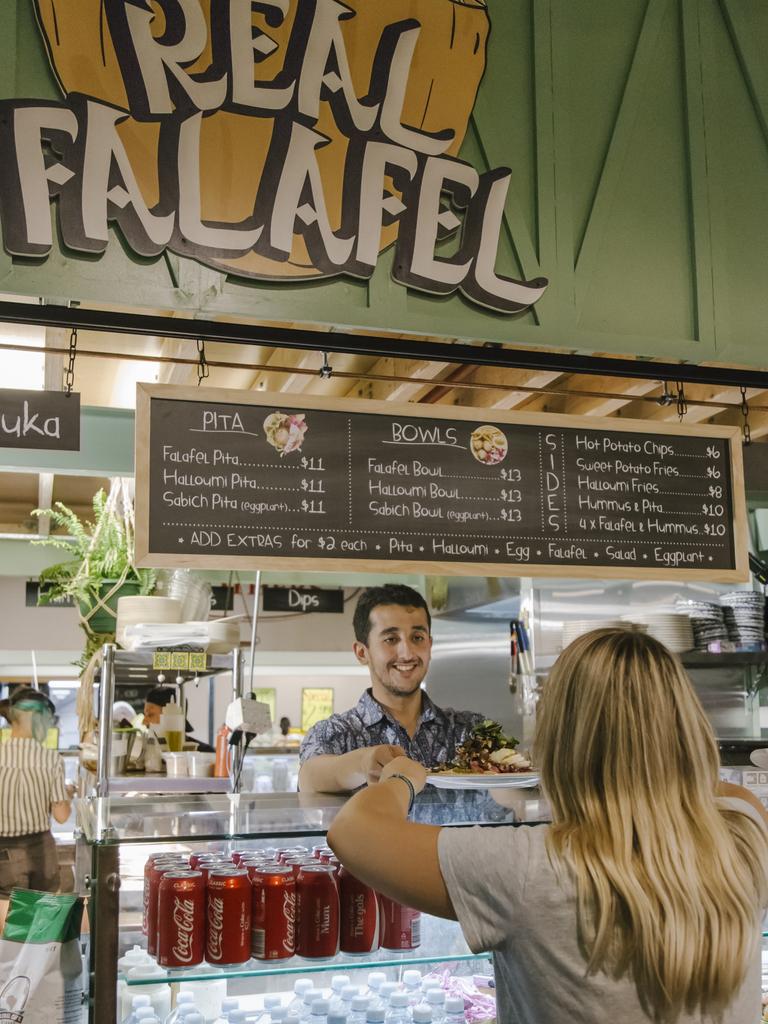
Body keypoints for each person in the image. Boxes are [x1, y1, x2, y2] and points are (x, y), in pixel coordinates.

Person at [328, 628, 768, 1023]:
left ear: (562, 740)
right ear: (686, 725)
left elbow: (352, 832)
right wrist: (666, 756)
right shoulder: (745, 832)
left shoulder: (529, 866)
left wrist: (403, 777)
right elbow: (715, 791)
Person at [299, 584, 484, 793]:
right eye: (391, 639)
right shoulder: (334, 733)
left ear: (429, 646)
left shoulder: (469, 731)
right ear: (362, 652)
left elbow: (511, 794)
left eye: (417, 638)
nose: (407, 653)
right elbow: (310, 777)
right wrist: (362, 762)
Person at [0, 687, 73, 897]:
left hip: (4, 852)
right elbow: (61, 816)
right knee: (41, 918)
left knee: (11, 917)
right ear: (36, 717)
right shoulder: (51, 759)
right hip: (40, 850)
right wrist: (68, 794)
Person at [142, 686, 214, 752]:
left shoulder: (204, 752)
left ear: (172, 717)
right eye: (145, 715)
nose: (144, 722)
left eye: (150, 715)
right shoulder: (147, 750)